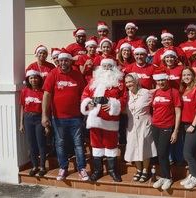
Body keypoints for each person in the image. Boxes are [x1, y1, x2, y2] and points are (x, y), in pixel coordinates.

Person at [41, 49, 89, 181]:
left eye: (66, 60)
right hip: (58, 118)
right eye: (61, 60)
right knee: (60, 144)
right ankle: (63, 167)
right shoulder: (53, 74)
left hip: (76, 117)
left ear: (69, 61)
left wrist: (85, 111)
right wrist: (45, 115)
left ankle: (82, 168)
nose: (63, 62)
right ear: (58, 61)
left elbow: (83, 95)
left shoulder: (77, 74)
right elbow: (46, 95)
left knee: (78, 144)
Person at [80, 58, 127, 182]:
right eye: (104, 66)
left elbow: (124, 98)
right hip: (95, 119)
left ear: (114, 68)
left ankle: (112, 171)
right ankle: (98, 170)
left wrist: (113, 103)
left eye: (109, 66)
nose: (107, 69)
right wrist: (88, 103)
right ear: (100, 68)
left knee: (111, 146)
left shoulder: (119, 82)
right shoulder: (93, 81)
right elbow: (85, 94)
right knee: (96, 145)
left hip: (110, 120)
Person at [151, 69, 181, 191]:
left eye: (163, 79)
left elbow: (178, 112)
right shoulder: (156, 92)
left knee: (163, 152)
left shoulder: (174, 92)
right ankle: (163, 176)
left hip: (167, 127)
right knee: (159, 153)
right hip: (155, 126)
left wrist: (176, 130)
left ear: (167, 79)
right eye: (158, 80)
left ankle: (168, 177)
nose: (161, 82)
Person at [124, 73, 157, 183]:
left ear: (136, 81)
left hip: (144, 122)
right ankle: (138, 169)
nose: (129, 84)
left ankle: (145, 170)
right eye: (127, 82)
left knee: (145, 146)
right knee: (133, 146)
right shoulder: (126, 95)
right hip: (131, 124)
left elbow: (157, 101)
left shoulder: (146, 93)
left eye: (130, 81)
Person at [179, 67, 196, 189]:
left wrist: (193, 125)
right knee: (191, 153)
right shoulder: (185, 89)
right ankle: (191, 174)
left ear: (193, 76)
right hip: (185, 125)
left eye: (188, 75)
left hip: (194, 126)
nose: (186, 77)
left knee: (187, 153)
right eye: (184, 75)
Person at [19, 70, 47, 177]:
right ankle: (34, 166)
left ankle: (42, 167)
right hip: (28, 118)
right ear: (28, 80)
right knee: (31, 144)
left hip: (39, 118)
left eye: (35, 78)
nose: (33, 80)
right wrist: (21, 123)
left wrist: (46, 124)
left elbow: (47, 109)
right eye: (31, 78)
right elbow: (22, 107)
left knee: (41, 144)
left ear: (39, 79)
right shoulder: (24, 91)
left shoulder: (43, 92)